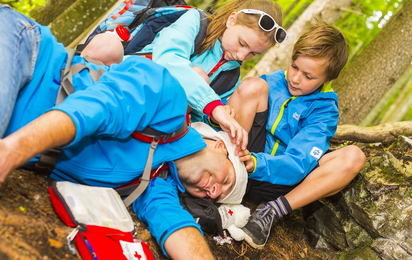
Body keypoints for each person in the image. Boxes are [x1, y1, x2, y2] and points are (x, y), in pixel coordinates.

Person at [0, 6, 249, 259]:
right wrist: (12, 150)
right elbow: (96, 109)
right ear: (220, 145)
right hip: (25, 56)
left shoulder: (157, 182)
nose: (213, 191)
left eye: (215, 197)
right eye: (225, 180)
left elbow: (174, 224)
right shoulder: (170, 102)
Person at [223, 23, 366, 249]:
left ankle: (271, 212)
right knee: (252, 85)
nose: (296, 78)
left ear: (327, 79)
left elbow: (298, 162)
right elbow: (234, 102)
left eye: (308, 76)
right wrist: (221, 113)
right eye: (294, 66)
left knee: (353, 157)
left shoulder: (325, 110)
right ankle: (222, 173)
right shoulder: (273, 81)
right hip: (240, 160)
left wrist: (257, 164)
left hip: (277, 182)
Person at [84, 0, 287, 151]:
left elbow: (199, 121)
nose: (242, 55)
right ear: (231, 20)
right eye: (242, 43)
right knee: (198, 75)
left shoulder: (232, 78)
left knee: (200, 79)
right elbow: (168, 58)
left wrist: (217, 119)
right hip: (131, 79)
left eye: (253, 53)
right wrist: (214, 106)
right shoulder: (195, 21)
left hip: (159, 118)